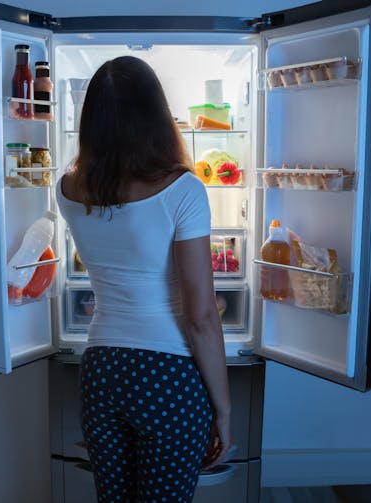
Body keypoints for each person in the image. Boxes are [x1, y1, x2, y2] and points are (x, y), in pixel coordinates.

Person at [56, 55, 231, 502]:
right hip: (167, 375)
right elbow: (201, 317)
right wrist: (223, 408)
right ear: (157, 115)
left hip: (100, 371)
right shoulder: (183, 191)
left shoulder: (69, 187)